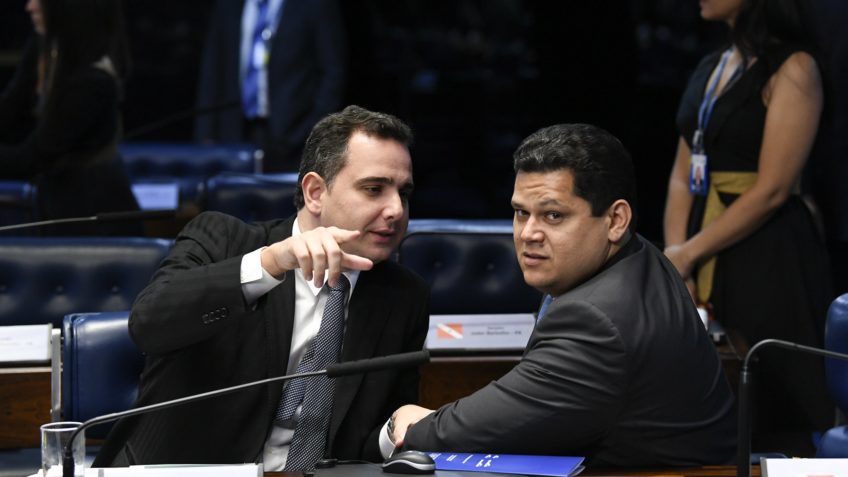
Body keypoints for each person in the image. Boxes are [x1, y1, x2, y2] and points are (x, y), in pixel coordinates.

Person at [93, 105, 430, 471]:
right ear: (315, 192)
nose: (396, 210)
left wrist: (394, 431)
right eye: (374, 189)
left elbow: (359, 444)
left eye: (403, 193)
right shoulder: (225, 240)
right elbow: (149, 324)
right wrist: (271, 263)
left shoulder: (403, 296)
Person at [387, 124, 737, 467]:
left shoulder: (595, 321)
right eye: (521, 213)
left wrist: (408, 423)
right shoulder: (637, 256)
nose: (528, 234)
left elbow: (457, 432)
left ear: (616, 220)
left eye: (553, 216)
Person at [663, 0, 834, 453]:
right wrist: (677, 256)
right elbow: (681, 176)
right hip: (701, 241)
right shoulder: (711, 65)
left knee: (777, 400)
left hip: (766, 251)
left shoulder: (794, 66)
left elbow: (773, 189)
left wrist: (689, 252)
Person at [0, 0, 141, 236]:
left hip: (94, 216)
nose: (30, 6)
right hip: (55, 202)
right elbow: (9, 110)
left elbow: (34, 158)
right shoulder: (45, 45)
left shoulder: (93, 81)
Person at [194, 0, 347, 172]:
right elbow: (213, 70)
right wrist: (205, 134)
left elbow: (332, 73)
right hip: (233, 136)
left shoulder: (314, 4)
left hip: (294, 137)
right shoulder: (228, 5)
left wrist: (312, 130)